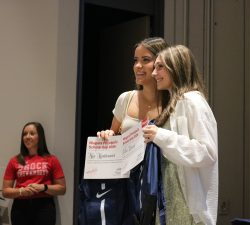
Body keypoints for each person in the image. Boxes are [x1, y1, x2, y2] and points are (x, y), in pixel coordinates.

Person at [79, 37, 169, 225]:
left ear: (161, 64)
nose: (138, 66)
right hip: (126, 187)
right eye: (135, 60)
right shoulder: (125, 99)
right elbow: (115, 136)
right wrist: (108, 136)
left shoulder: (173, 103)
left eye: (145, 60)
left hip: (161, 188)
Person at [142, 45, 218, 225]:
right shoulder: (175, 103)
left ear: (175, 68)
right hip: (170, 199)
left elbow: (207, 152)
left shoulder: (193, 102)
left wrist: (161, 136)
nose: (154, 73)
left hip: (186, 206)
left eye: (160, 67)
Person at [2, 122, 66, 225]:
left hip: (44, 207)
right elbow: (5, 191)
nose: (27, 137)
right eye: (25, 134)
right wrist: (21, 191)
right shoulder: (14, 160)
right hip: (20, 208)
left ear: (40, 137)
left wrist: (43, 187)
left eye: (32, 133)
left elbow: (62, 189)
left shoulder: (52, 160)